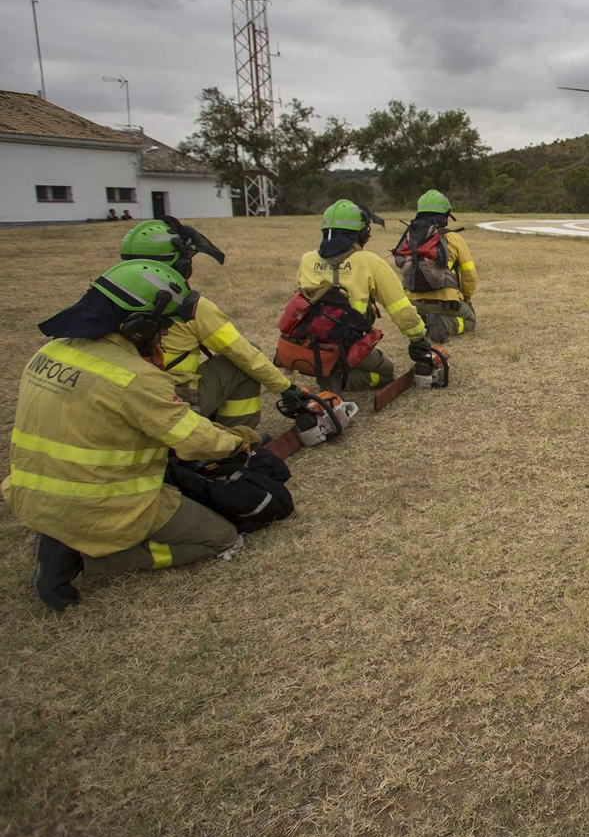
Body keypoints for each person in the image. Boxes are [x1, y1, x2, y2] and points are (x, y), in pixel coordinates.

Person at [5, 260, 252, 610]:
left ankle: (62, 538)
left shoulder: (47, 353)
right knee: (221, 538)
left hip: (32, 495)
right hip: (105, 502)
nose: (164, 334)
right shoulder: (133, 377)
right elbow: (197, 442)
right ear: (139, 325)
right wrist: (238, 441)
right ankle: (84, 558)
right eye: (163, 326)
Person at [119, 218, 293, 428]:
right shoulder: (190, 307)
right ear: (181, 265)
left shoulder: (106, 298)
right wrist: (287, 389)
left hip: (119, 398)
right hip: (173, 401)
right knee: (241, 362)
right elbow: (243, 354)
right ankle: (238, 436)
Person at [289, 200, 430, 390]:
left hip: (308, 345)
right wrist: (418, 338)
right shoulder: (370, 262)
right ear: (362, 234)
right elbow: (400, 309)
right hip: (346, 345)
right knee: (385, 372)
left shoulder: (307, 259)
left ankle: (330, 371)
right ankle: (341, 379)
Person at [394, 189, 478, 338]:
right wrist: (466, 299)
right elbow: (469, 275)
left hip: (412, 302)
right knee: (470, 320)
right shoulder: (454, 238)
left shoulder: (408, 237)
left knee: (420, 315)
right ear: (445, 215)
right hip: (444, 302)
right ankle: (444, 324)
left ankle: (423, 322)